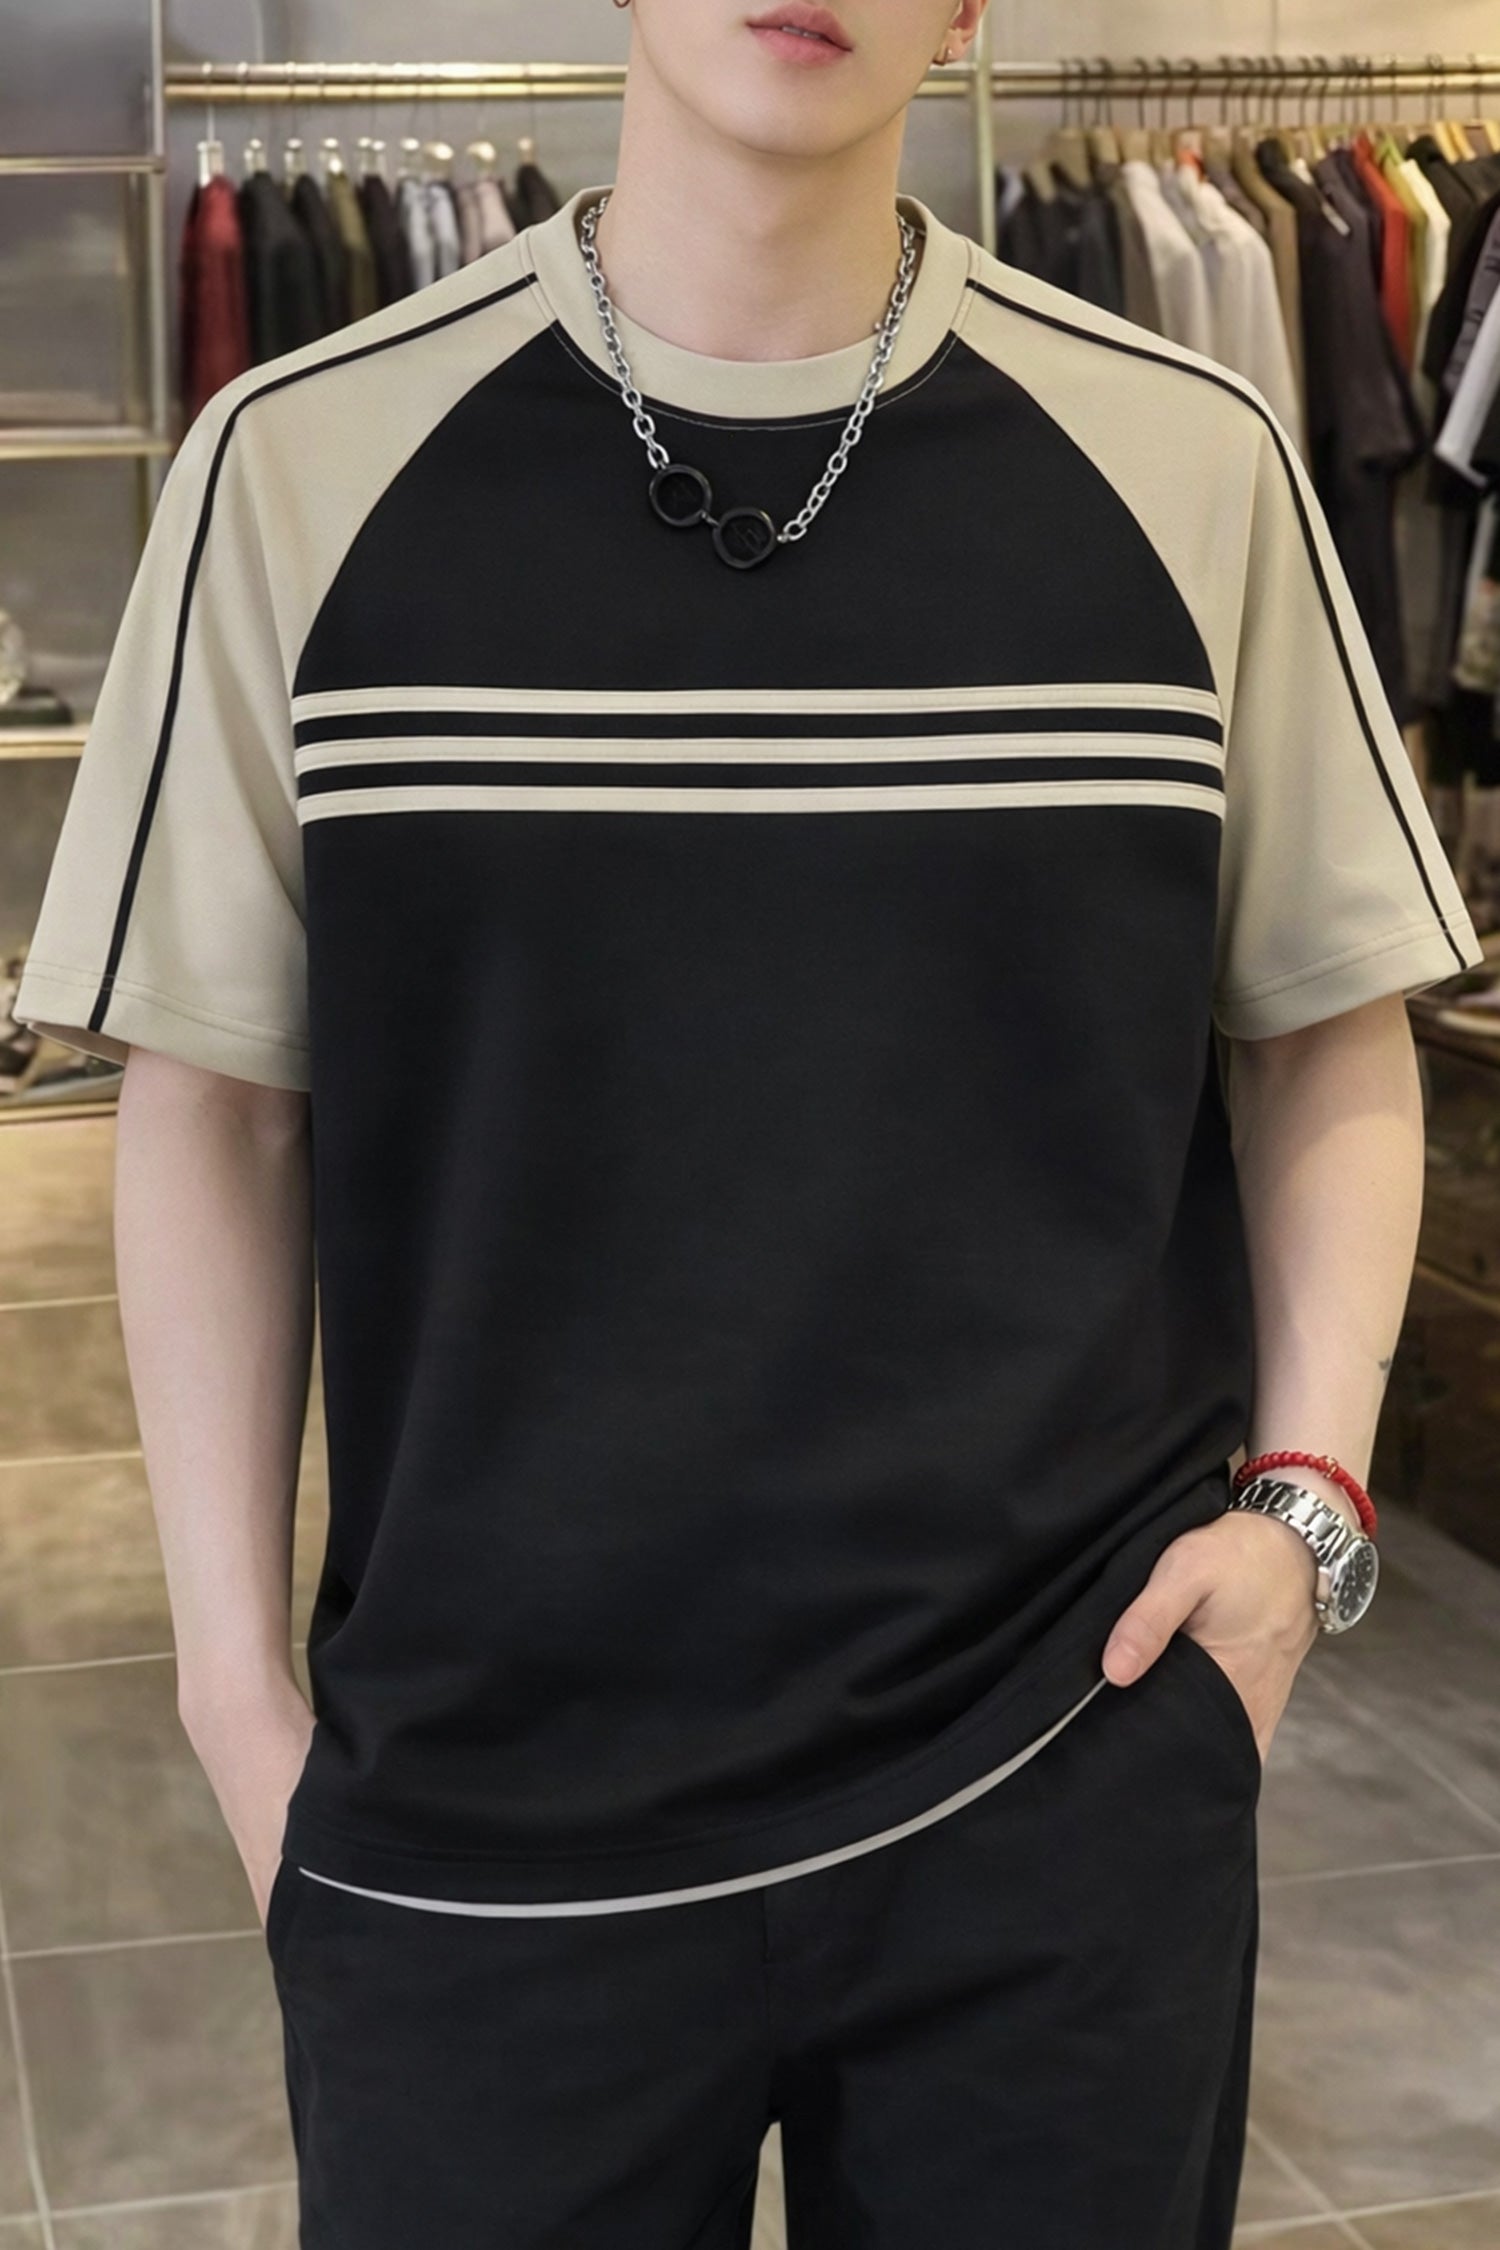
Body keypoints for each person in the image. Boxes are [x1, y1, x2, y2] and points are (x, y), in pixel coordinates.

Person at [12, 3, 1484, 2244]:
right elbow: (217, 1110)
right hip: (484, 1810)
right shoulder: (296, 464)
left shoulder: (1189, 458)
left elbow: (1323, 1034)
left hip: (1060, 1773)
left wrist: (1304, 1518)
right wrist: (234, 1698)